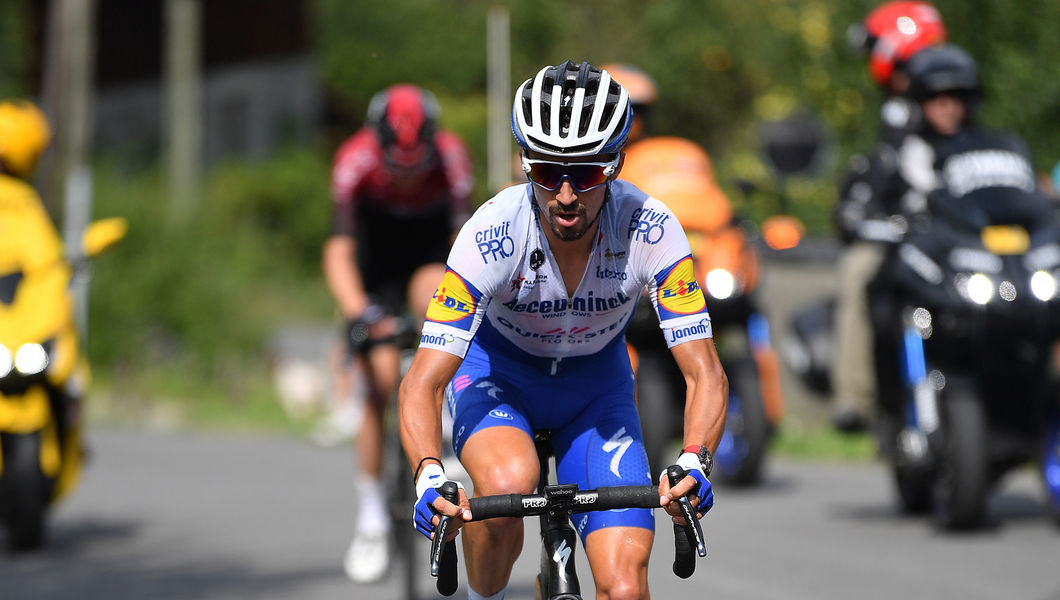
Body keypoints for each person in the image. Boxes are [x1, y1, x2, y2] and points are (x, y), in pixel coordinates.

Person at [399, 60, 728, 600]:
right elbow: (423, 382)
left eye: (589, 171)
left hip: (596, 391)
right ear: (526, 165)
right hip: (501, 377)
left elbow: (705, 372)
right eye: (550, 173)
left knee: (624, 588)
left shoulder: (651, 228)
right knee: (505, 490)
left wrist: (695, 458)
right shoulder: (491, 232)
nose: (568, 194)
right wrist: (429, 474)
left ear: (617, 165)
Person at [324, 83, 473, 582]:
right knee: (380, 381)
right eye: (397, 168)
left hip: (429, 260)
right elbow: (339, 250)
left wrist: (461, 312)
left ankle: (447, 434)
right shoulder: (354, 161)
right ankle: (370, 518)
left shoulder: (452, 158)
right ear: (377, 144)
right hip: (375, 269)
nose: (407, 178)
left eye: (416, 168)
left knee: (439, 304)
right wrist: (357, 312)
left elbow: (463, 243)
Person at [831, 1, 947, 432]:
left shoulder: (945, 100)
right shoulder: (897, 111)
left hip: (951, 233)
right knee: (859, 271)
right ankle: (855, 398)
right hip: (905, 234)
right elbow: (883, 176)